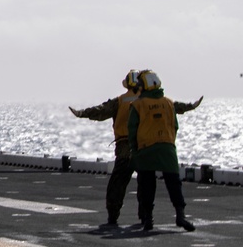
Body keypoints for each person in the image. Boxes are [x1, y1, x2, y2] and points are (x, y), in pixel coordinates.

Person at [69, 70, 202, 227]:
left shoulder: (122, 101)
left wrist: (82, 113)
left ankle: (113, 216)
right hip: (153, 146)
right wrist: (190, 106)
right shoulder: (161, 101)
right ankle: (146, 216)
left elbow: (101, 111)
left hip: (128, 147)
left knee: (119, 183)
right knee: (147, 181)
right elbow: (175, 110)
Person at [129, 70, 195, 232]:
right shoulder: (169, 103)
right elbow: (175, 126)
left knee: (147, 183)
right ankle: (180, 215)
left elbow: (132, 129)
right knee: (173, 182)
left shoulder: (137, 105)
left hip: (146, 149)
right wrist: (169, 142)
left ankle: (148, 219)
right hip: (167, 147)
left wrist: (134, 149)